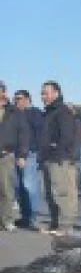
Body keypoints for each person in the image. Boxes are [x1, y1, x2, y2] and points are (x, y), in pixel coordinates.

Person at [38, 81, 77, 236]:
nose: (43, 96)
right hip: (47, 158)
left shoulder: (63, 111)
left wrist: (56, 148)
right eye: (42, 93)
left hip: (59, 158)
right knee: (50, 193)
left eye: (46, 93)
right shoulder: (47, 113)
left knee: (62, 193)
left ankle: (66, 226)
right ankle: (55, 224)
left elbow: (67, 136)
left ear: (56, 93)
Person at [0, 81, 30, 232]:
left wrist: (23, 154)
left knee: (7, 189)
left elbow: (24, 133)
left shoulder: (14, 112)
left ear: (3, 92)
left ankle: (7, 220)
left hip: (6, 155)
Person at [12, 90, 43, 230]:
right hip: (14, 153)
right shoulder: (14, 114)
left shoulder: (34, 113)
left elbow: (37, 134)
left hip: (29, 153)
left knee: (29, 186)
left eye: (19, 98)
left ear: (28, 99)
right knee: (18, 187)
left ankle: (32, 216)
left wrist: (29, 151)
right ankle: (25, 216)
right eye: (15, 99)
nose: (16, 101)